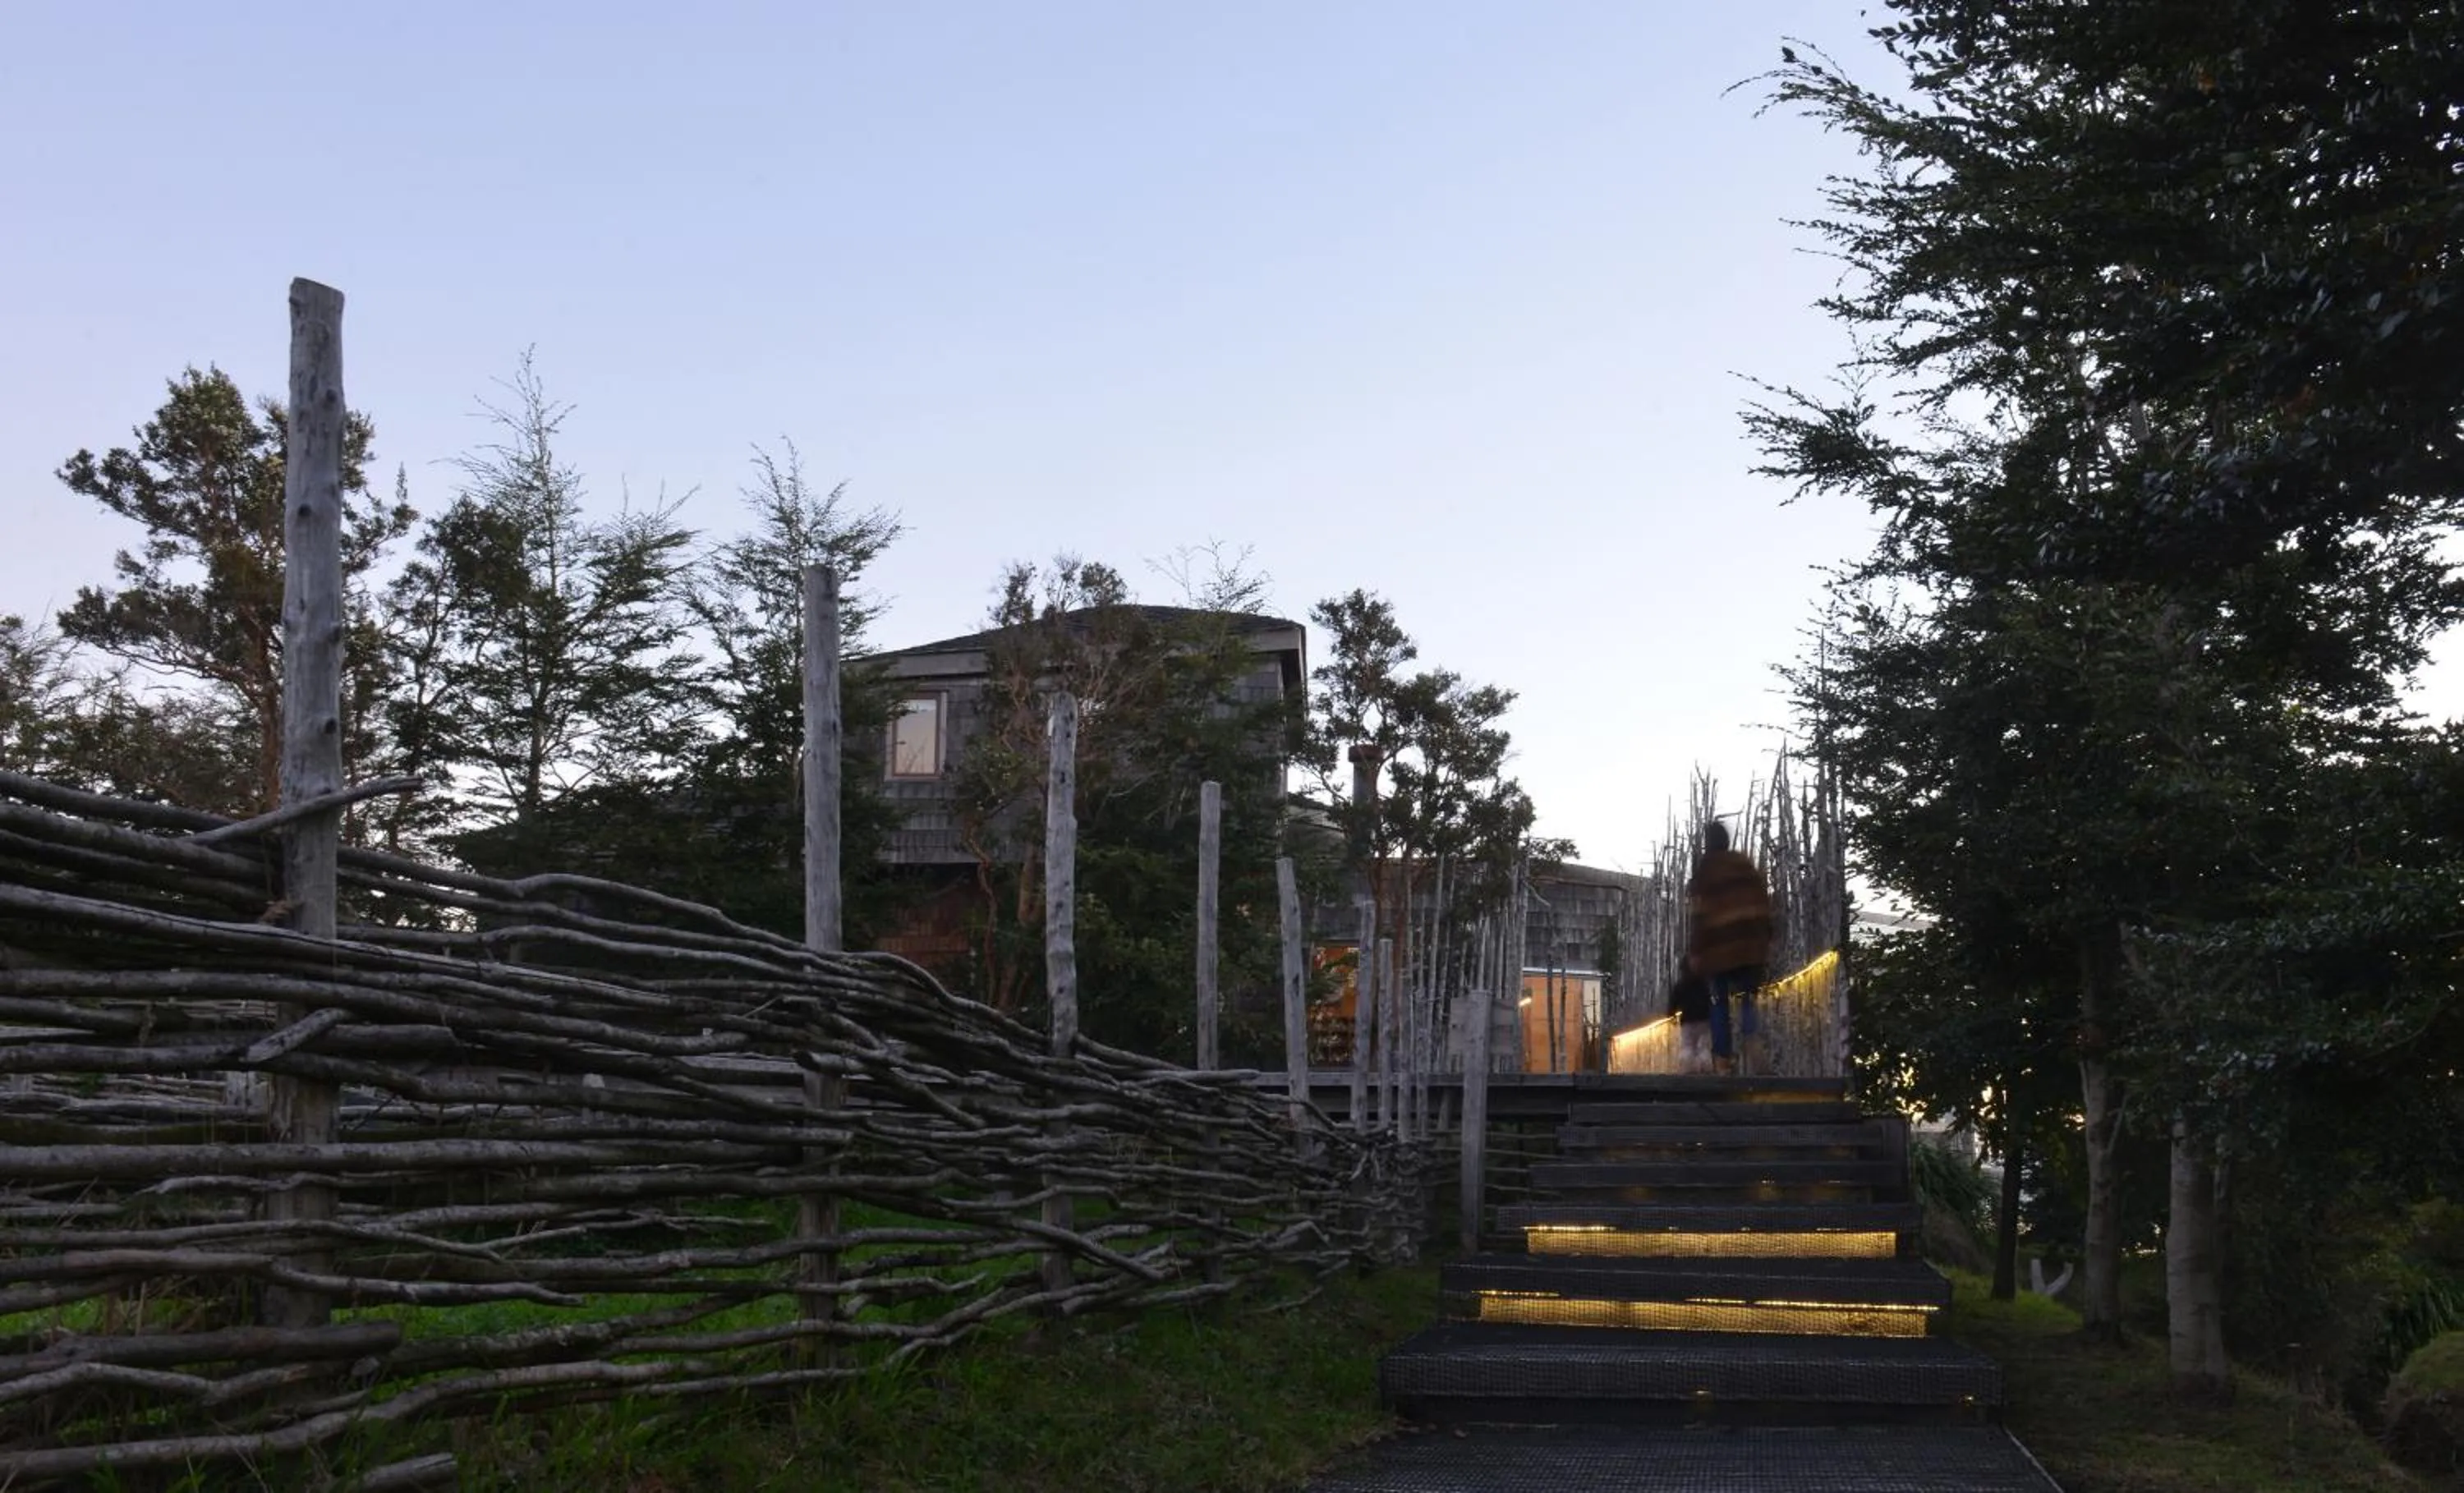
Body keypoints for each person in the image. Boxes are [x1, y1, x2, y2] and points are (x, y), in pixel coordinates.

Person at [1685, 819, 1773, 1075]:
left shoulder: (1707, 869)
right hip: (1749, 946)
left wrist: (1696, 951)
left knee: (1719, 1002)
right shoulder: (1744, 864)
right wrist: (1766, 940)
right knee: (1747, 998)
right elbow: (1762, 903)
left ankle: (1723, 1059)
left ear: (1707, 842)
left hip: (1720, 950)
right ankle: (1750, 1036)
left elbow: (1701, 915)